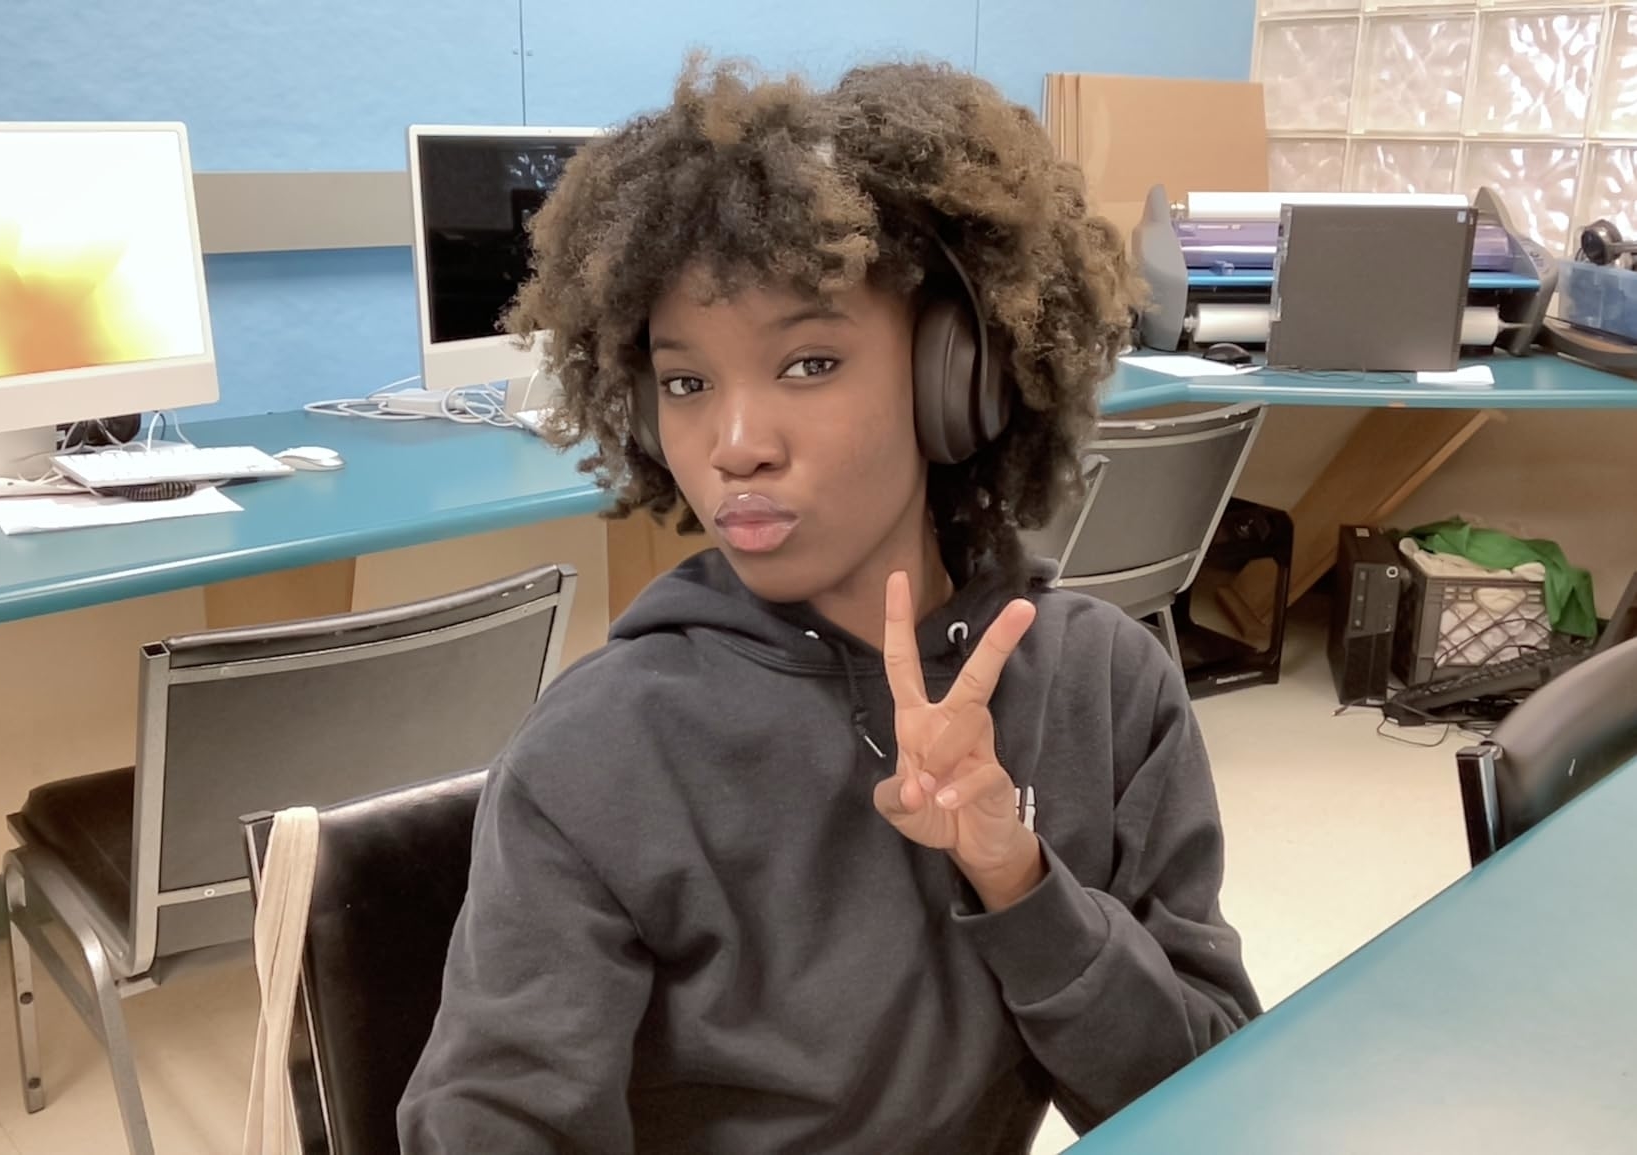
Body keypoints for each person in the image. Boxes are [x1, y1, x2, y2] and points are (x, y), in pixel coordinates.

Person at [399, 58, 1260, 1154]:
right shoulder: (606, 750)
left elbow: (1212, 1096)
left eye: (808, 361)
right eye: (685, 382)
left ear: (957, 378)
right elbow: (492, 1118)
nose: (735, 445)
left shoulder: (1103, 688)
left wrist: (1018, 881)